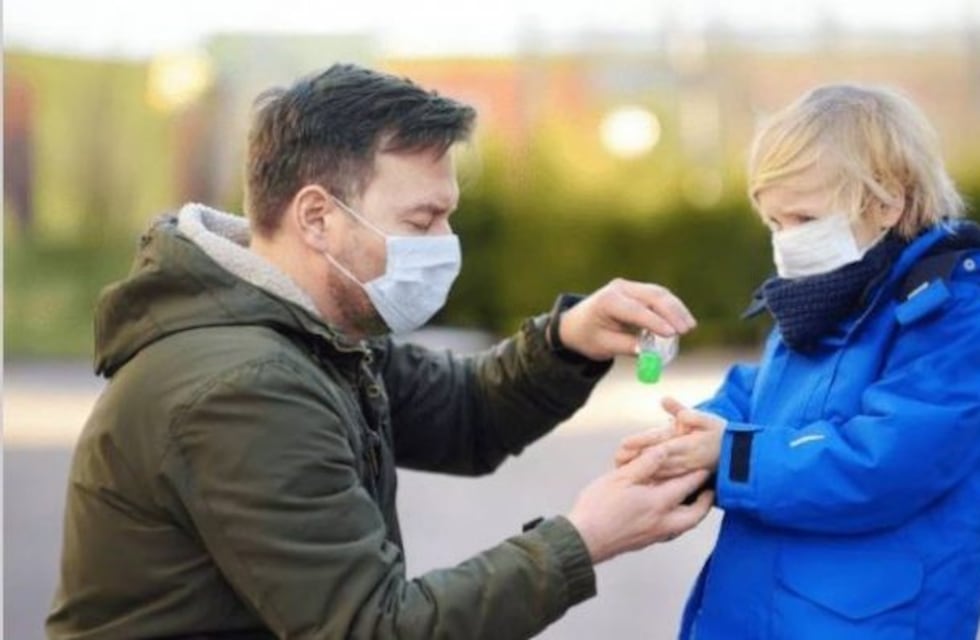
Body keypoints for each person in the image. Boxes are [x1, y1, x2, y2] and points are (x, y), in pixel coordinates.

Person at [46, 63, 713, 640]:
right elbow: (373, 627)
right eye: (422, 221)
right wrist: (583, 539)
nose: (445, 244)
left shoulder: (310, 331)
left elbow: (465, 415)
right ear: (317, 217)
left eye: (447, 215)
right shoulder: (244, 387)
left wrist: (567, 341)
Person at [617, 83, 980, 639]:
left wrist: (730, 455)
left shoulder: (951, 313)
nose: (786, 241)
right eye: (774, 223)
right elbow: (762, 392)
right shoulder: (826, 290)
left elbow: (886, 462)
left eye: (805, 219)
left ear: (887, 203)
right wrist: (689, 436)